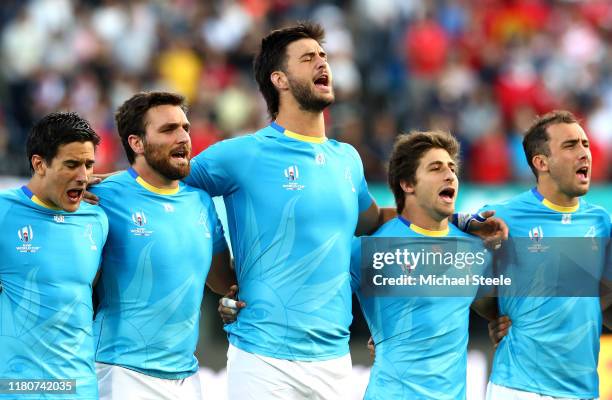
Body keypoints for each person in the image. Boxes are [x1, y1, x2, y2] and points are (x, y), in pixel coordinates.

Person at [185, 22, 506, 399]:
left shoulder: (346, 159)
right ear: (280, 80)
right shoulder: (241, 154)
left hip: (333, 362)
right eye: (308, 58)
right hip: (261, 358)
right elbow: (163, 185)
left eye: (323, 55)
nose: (323, 62)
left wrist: (457, 219)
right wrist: (221, 276)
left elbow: (372, 220)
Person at [91, 91, 234, 400]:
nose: (183, 137)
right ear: (137, 143)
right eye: (169, 130)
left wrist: (235, 301)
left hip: (186, 375)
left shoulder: (201, 201)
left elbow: (225, 282)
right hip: (121, 372)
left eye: (185, 128)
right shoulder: (103, 197)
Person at [350, 130, 496, 400]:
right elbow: (315, 297)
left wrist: (506, 322)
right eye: (436, 168)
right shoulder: (370, 250)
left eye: (452, 168)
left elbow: (500, 306)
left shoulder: (476, 248)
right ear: (407, 184)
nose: (450, 175)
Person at [483, 110, 612, 400]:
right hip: (518, 387)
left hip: (583, 390)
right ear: (542, 163)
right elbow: (450, 273)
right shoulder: (501, 216)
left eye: (585, 144)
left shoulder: (601, 222)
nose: (584, 153)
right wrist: (497, 313)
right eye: (570, 146)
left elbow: (604, 299)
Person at [0, 112, 107, 400]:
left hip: (80, 388)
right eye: (71, 165)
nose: (83, 176)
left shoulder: (97, 218)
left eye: (88, 165)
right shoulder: (4, 212)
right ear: (39, 164)